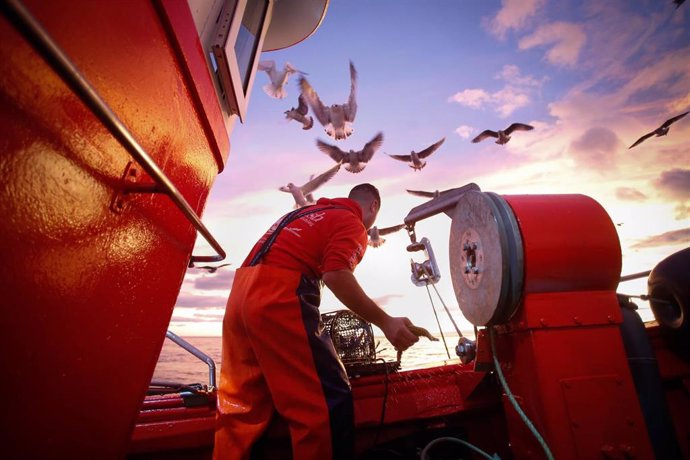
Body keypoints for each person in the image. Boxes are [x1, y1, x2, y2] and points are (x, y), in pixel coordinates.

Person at [214, 183, 424, 460]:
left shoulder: (305, 213)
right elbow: (336, 275)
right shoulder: (352, 221)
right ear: (373, 207)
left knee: (242, 405)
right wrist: (385, 321)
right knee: (325, 404)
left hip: (240, 297)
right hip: (279, 296)